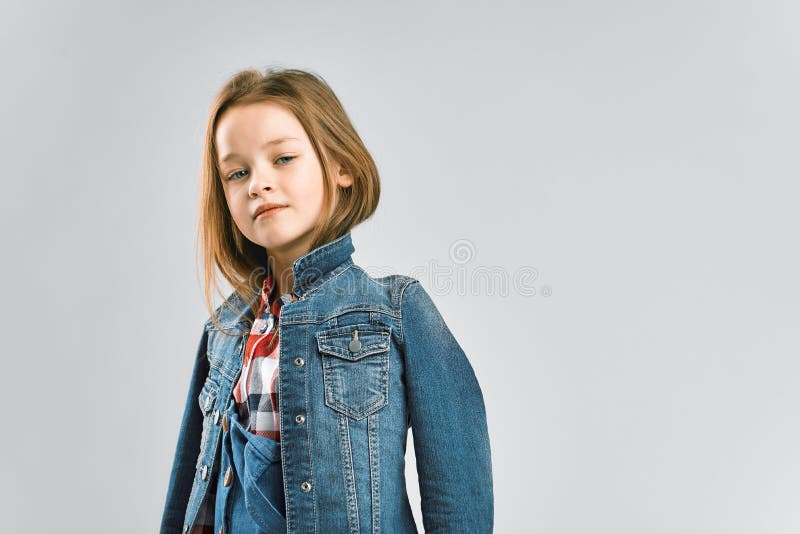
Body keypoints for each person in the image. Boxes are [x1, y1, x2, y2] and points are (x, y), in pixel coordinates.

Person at [160, 67, 493, 534]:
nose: (258, 183)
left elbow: (459, 495)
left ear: (342, 167)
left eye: (283, 159)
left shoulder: (394, 312)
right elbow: (191, 494)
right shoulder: (225, 330)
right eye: (237, 172)